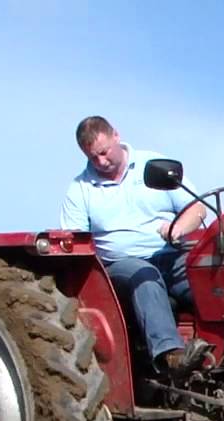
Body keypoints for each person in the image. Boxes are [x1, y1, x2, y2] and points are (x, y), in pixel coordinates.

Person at [60, 116, 210, 376]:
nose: (100, 162)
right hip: (119, 266)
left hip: (170, 253)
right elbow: (75, 242)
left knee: (210, 282)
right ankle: (170, 356)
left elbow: (196, 209)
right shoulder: (80, 188)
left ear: (116, 136)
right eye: (93, 157)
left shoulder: (153, 166)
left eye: (104, 153)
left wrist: (177, 229)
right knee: (144, 275)